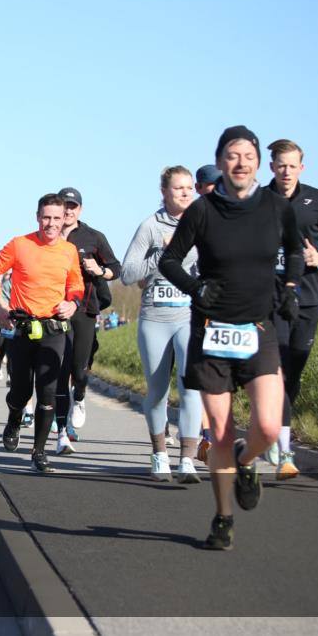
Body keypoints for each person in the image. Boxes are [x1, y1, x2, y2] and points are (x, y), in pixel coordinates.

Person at [160, 125, 303, 550]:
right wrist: (195, 288)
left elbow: (294, 250)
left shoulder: (277, 208)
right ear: (221, 161)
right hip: (211, 329)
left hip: (258, 330)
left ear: (257, 162)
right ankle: (223, 518)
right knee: (219, 430)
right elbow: (169, 261)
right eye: (232, 156)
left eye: (248, 156)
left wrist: (291, 288)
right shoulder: (202, 211)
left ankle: (246, 461)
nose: (240, 163)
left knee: (267, 426)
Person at [264, 139, 318, 480]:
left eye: (292, 165)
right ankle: (284, 451)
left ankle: (272, 422)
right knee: (279, 370)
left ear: (302, 167)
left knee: (293, 372)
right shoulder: (258, 200)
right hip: (270, 299)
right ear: (271, 167)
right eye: (280, 165)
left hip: (308, 298)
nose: (286, 171)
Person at [0, 194, 84, 473]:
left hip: (53, 329)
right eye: (45, 217)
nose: (50, 223)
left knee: (48, 392)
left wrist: (72, 302)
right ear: (37, 217)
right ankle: (14, 418)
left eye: (56, 218)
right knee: (20, 391)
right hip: (23, 328)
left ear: (65, 218)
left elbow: (76, 284)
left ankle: (39, 452)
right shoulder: (20, 244)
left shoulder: (69, 251)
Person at [121, 166, 203, 483]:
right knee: (157, 391)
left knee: (190, 386)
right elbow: (128, 274)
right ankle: (158, 453)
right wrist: (162, 255)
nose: (185, 193)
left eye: (189, 188)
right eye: (178, 188)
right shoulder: (150, 227)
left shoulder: (202, 223)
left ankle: (187, 460)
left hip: (189, 316)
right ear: (164, 192)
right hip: (155, 316)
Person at [53, 187, 121, 453]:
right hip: (55, 310)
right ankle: (61, 433)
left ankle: (79, 397)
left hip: (85, 309)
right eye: (64, 205)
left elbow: (116, 268)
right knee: (59, 369)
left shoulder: (94, 237)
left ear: (80, 210)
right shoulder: (49, 235)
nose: (68, 211)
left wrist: (100, 270)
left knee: (79, 369)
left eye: (73, 206)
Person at [193, 164, 224, 461]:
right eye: (211, 185)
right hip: (200, 308)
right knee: (207, 374)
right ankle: (206, 436)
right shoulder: (194, 218)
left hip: (235, 307)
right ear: (199, 188)